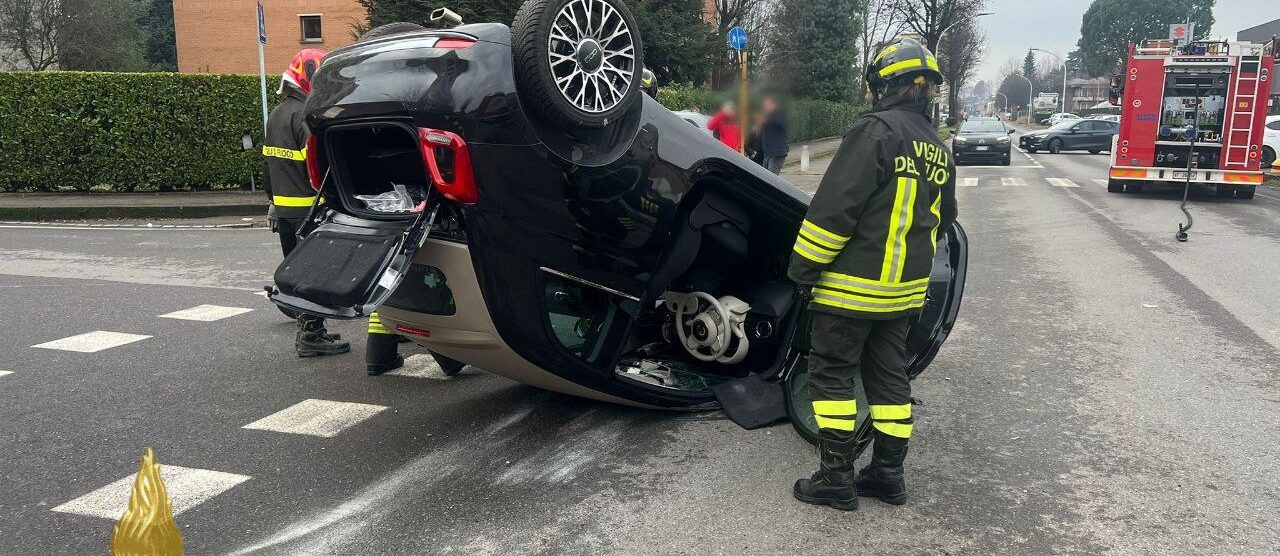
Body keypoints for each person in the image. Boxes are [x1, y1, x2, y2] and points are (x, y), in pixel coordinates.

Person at [788, 38, 956, 511]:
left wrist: (802, 270)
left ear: (885, 85)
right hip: (902, 296)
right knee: (889, 381)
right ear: (926, 91)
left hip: (849, 293)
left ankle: (836, 479)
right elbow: (944, 219)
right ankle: (887, 475)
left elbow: (833, 212)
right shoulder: (938, 148)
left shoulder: (876, 133)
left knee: (832, 376)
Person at [264, 48, 351, 358]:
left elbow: (267, 166)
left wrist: (273, 202)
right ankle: (312, 335)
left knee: (299, 271)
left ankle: (311, 329)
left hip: (286, 210)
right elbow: (318, 166)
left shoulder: (277, 114)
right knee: (314, 272)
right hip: (308, 208)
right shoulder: (305, 117)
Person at [758, 97, 789, 174]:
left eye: (767, 105)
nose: (765, 107)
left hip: (776, 153)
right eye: (764, 105)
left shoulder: (779, 115)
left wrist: (766, 120)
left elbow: (782, 124)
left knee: (772, 177)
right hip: (767, 153)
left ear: (773, 105)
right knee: (765, 177)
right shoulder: (767, 116)